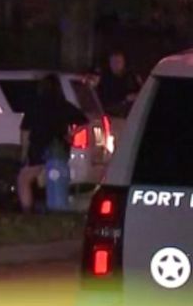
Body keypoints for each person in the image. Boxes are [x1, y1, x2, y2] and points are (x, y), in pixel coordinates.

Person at [18, 74, 87, 213]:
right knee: (56, 177)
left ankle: (27, 210)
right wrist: (71, 134)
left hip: (39, 147)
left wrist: (24, 152)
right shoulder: (63, 105)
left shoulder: (35, 105)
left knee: (23, 179)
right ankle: (57, 207)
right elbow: (84, 120)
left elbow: (25, 130)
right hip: (59, 146)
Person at [96, 50, 143, 118]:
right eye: (113, 62)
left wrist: (135, 96)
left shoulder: (132, 76)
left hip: (130, 110)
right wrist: (124, 98)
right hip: (111, 109)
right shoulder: (105, 77)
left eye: (118, 62)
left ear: (123, 63)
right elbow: (103, 97)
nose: (115, 65)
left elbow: (142, 92)